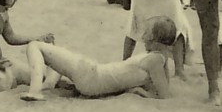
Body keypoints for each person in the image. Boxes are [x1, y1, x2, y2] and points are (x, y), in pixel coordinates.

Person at [21, 16, 178, 102]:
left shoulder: (155, 60)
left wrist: (140, 91)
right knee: (54, 52)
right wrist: (139, 89)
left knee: (35, 45)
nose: (143, 38)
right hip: (92, 76)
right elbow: (164, 84)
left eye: (147, 35)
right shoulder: (159, 58)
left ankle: (35, 91)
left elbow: (163, 94)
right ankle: (49, 84)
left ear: (156, 39)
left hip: (92, 77)